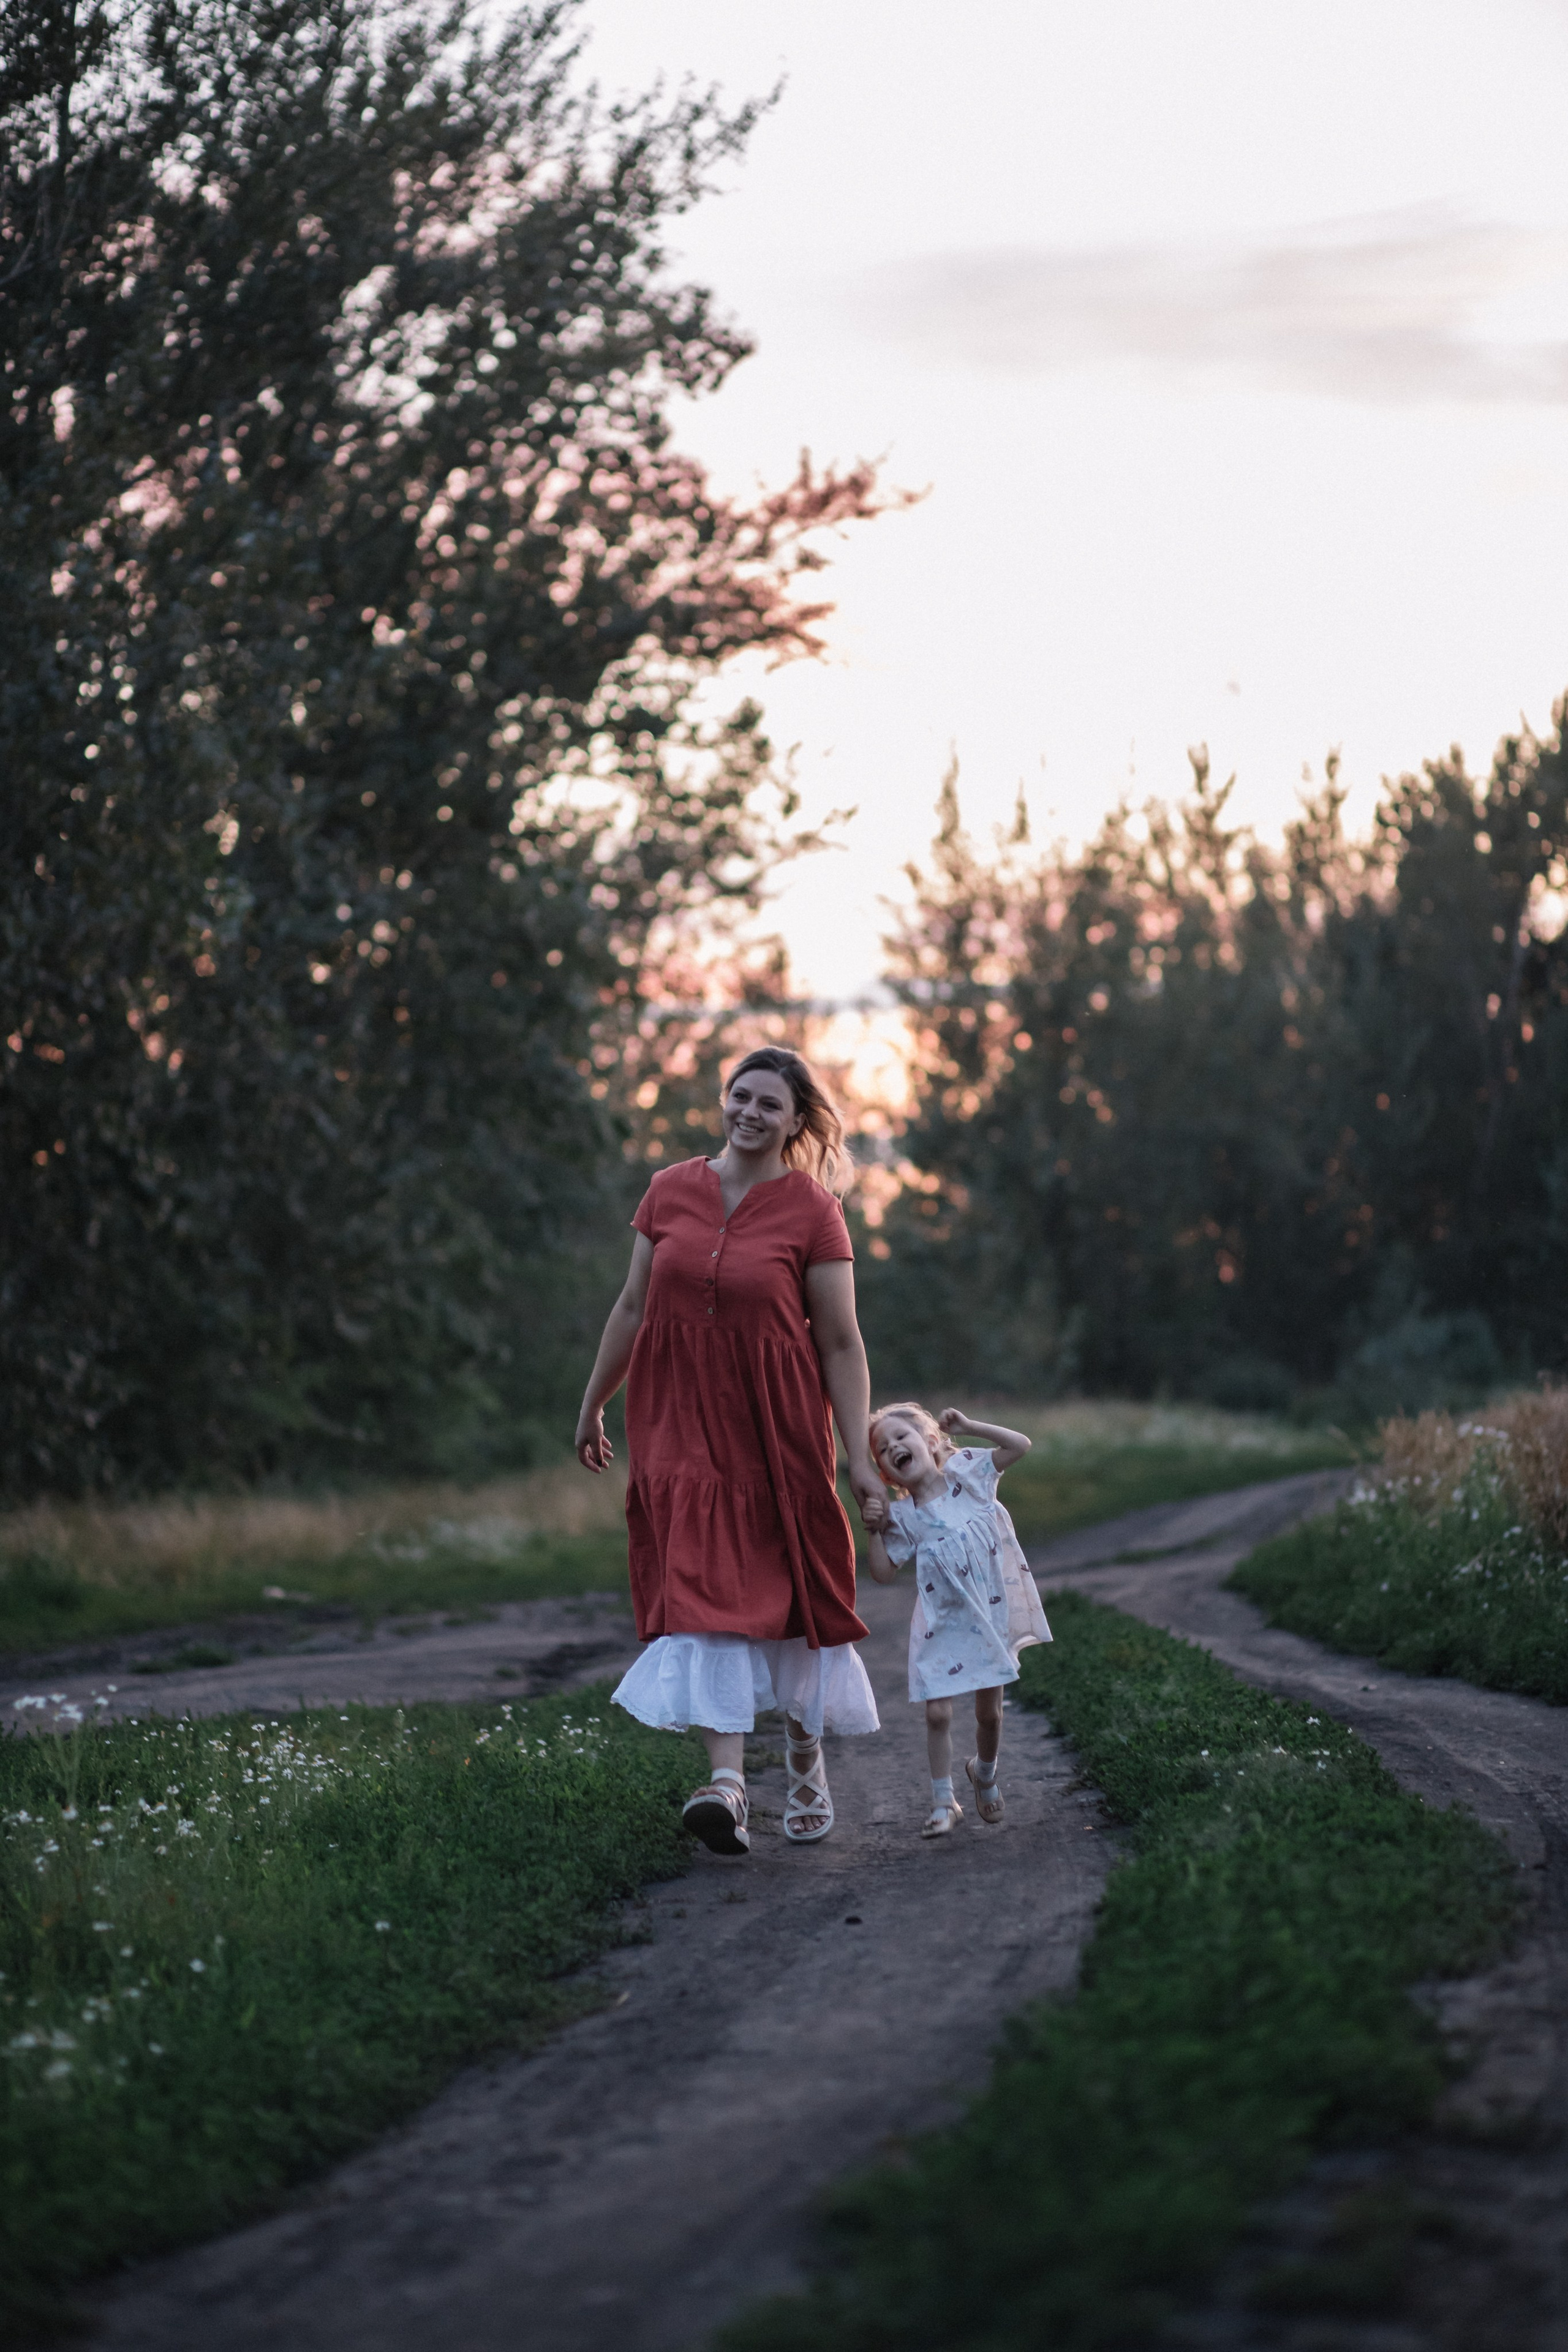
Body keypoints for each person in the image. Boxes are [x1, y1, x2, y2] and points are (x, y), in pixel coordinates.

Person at [575, 1047, 884, 1855]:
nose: (749, 1112)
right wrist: (592, 1406)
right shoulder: (668, 1190)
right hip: (678, 1419)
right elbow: (633, 1306)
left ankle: (805, 1751)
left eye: (769, 1105)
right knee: (703, 1585)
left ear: (795, 1121)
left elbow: (843, 1345)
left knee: (784, 1585)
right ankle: (727, 1785)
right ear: (724, 1101)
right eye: (739, 1097)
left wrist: (858, 1455)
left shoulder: (814, 1210)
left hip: (775, 1422)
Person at [862, 1402, 1050, 1837]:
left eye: (901, 1438)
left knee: (991, 1715)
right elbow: (883, 1572)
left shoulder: (970, 1476)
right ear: (887, 1475)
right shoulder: (905, 1517)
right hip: (942, 1622)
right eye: (884, 1450)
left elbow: (1019, 1445)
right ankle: (944, 1802)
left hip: (987, 1615)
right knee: (938, 1715)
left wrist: (969, 1427)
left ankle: (983, 1773)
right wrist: (872, 1530)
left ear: (929, 1442)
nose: (894, 1447)